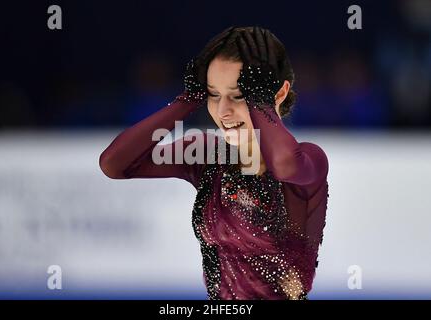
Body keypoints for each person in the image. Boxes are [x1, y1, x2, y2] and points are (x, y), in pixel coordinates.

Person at [99, 26, 329, 300]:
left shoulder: (310, 159)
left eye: (240, 95)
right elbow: (114, 164)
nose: (223, 111)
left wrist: (259, 102)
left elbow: (284, 165)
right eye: (214, 94)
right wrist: (187, 101)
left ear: (277, 95)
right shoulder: (210, 154)